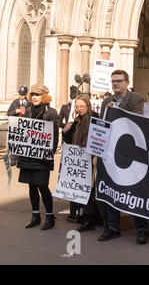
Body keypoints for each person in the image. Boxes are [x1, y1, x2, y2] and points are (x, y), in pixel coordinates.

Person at [97, 70, 149, 244]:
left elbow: (136, 121)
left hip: (131, 153)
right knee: (111, 189)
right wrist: (98, 152)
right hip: (111, 153)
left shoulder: (136, 99)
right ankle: (113, 228)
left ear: (127, 82)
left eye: (119, 81)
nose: (116, 84)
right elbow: (102, 127)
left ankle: (141, 229)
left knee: (134, 191)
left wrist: (117, 111)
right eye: (113, 81)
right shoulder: (106, 102)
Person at [17, 84, 59, 230]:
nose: (34, 97)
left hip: (43, 157)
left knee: (42, 186)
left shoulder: (52, 113)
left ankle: (49, 216)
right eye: (33, 94)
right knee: (31, 185)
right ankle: (35, 216)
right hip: (28, 155)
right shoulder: (27, 110)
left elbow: (54, 136)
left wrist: (50, 153)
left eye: (38, 94)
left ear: (45, 96)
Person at [62, 95, 100, 232]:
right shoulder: (77, 120)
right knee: (81, 190)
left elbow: (100, 138)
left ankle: (89, 219)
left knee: (89, 191)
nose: (79, 109)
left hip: (90, 159)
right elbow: (69, 140)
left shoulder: (95, 118)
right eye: (77, 107)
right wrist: (65, 131)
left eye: (82, 106)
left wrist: (97, 155)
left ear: (88, 106)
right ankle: (84, 217)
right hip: (78, 160)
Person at [60, 85, 81, 224]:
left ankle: (83, 213)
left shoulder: (90, 119)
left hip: (83, 156)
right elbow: (60, 122)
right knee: (72, 183)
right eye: (76, 106)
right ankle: (73, 212)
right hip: (71, 153)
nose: (78, 108)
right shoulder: (65, 108)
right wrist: (65, 128)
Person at [7, 86, 29, 166]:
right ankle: (13, 159)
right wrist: (15, 111)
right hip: (16, 126)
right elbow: (9, 113)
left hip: (25, 126)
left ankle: (22, 159)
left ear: (26, 94)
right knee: (14, 142)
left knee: (24, 143)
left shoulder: (29, 103)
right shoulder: (14, 102)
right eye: (20, 94)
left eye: (23, 94)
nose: (21, 96)